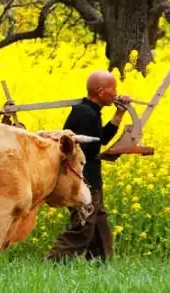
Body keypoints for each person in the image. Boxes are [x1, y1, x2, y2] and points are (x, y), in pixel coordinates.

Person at [46, 71, 131, 263]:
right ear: (101, 92)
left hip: (88, 180)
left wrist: (119, 113)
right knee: (83, 228)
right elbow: (88, 152)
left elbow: (100, 139)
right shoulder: (88, 115)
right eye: (113, 89)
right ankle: (52, 263)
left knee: (100, 228)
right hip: (83, 182)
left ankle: (102, 266)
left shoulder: (87, 111)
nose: (116, 93)